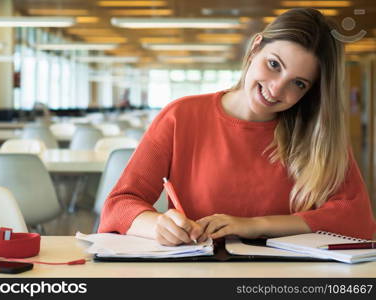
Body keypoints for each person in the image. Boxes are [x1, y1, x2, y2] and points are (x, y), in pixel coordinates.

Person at [98, 8, 376, 245]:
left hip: (287, 279)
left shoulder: (317, 135)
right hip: (195, 273)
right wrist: (156, 225)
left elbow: (356, 218)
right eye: (274, 64)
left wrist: (255, 225)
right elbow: (120, 204)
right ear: (255, 47)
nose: (276, 89)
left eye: (299, 83)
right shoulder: (180, 116)